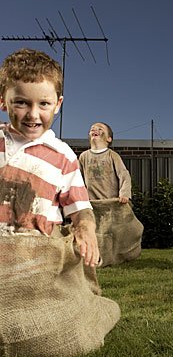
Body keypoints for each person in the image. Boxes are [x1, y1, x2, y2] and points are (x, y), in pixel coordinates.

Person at [0, 48, 99, 267]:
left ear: (57, 104)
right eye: (21, 103)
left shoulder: (63, 157)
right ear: (4, 101)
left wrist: (85, 229)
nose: (33, 114)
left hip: (35, 262)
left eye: (44, 104)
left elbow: (81, 208)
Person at [79, 122, 132, 203]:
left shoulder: (113, 155)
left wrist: (124, 193)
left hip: (111, 202)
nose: (95, 129)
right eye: (92, 129)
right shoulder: (84, 156)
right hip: (91, 203)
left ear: (109, 139)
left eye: (100, 128)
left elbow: (124, 175)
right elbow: (78, 178)